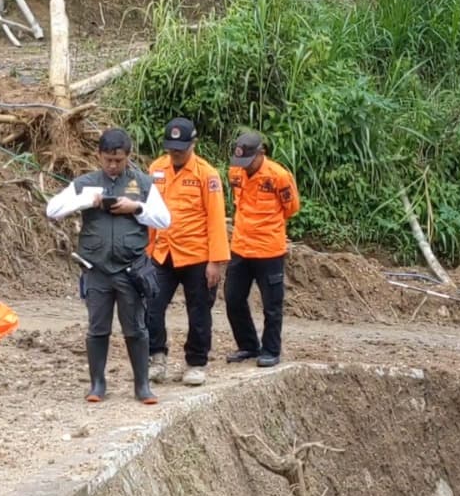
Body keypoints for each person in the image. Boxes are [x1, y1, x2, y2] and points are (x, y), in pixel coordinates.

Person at [45, 128, 171, 404]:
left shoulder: (143, 183)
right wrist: (88, 201)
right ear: (98, 156)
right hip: (97, 270)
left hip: (130, 269)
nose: (113, 166)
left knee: (136, 328)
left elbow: (164, 220)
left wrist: (135, 208)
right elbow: (52, 210)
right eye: (108, 160)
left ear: (128, 156)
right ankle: (97, 384)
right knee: (97, 328)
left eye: (119, 160)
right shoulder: (85, 183)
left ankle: (142, 385)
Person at [146, 117, 229, 386]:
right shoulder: (156, 170)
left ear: (193, 143)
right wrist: (146, 252)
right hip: (163, 253)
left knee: (199, 311)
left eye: (181, 148)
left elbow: (216, 219)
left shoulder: (207, 174)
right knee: (151, 306)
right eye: (171, 148)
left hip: (197, 256)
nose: (176, 153)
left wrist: (215, 262)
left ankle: (196, 362)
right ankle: (156, 357)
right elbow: (149, 214)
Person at [224, 131, 301, 367]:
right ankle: (248, 345)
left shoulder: (278, 176)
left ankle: (271, 350)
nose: (245, 167)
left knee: (272, 305)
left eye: (249, 161)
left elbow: (291, 207)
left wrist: (269, 227)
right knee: (233, 298)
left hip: (269, 249)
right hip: (240, 246)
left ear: (261, 153)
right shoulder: (235, 172)